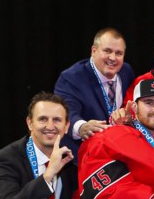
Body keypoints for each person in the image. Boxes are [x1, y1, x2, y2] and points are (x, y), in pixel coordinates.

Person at [54, 28, 135, 156]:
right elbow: (66, 112)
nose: (113, 58)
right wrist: (81, 127)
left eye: (118, 53)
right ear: (94, 51)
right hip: (83, 155)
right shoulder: (71, 78)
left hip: (119, 153)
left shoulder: (126, 72)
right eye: (107, 51)